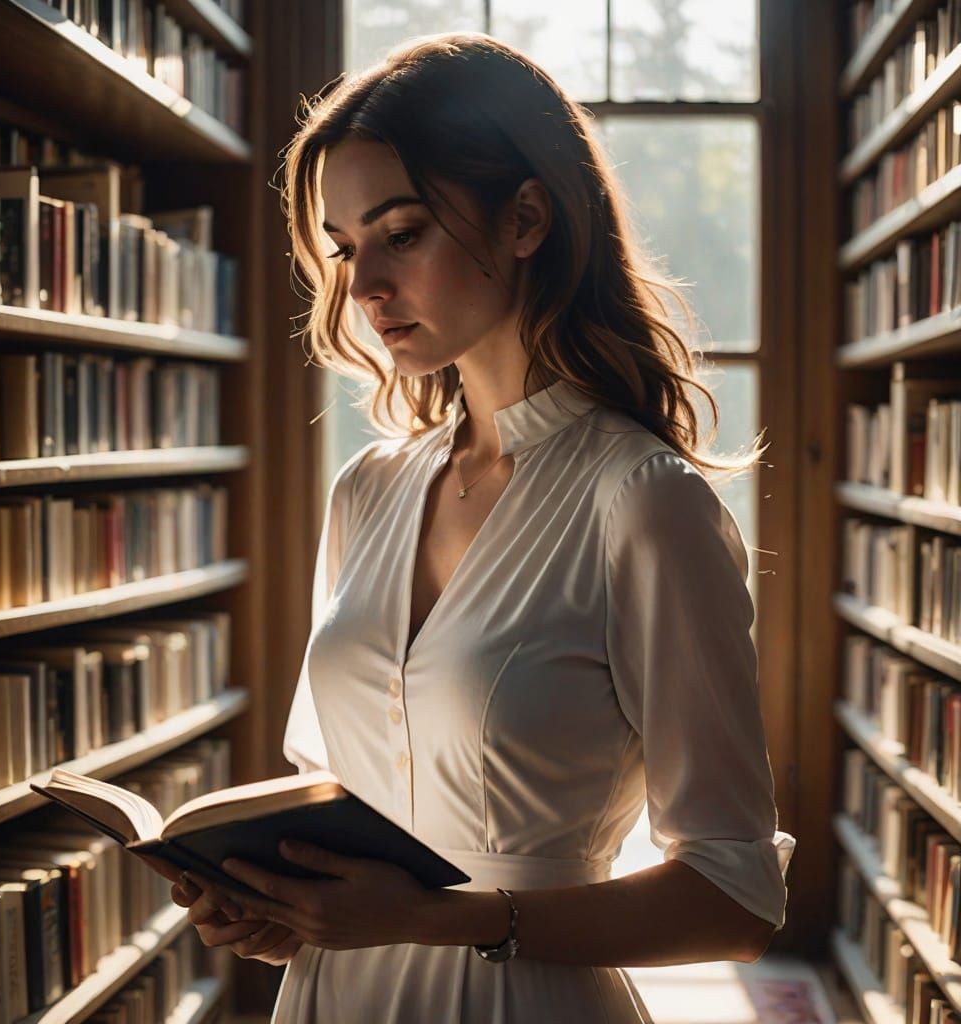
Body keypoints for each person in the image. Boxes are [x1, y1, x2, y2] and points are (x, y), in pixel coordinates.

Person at [170, 31, 797, 1024]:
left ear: (526, 219)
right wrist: (285, 911)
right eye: (343, 247)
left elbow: (731, 898)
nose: (364, 285)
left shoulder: (644, 500)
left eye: (402, 231)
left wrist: (431, 919)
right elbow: (347, 809)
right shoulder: (368, 489)